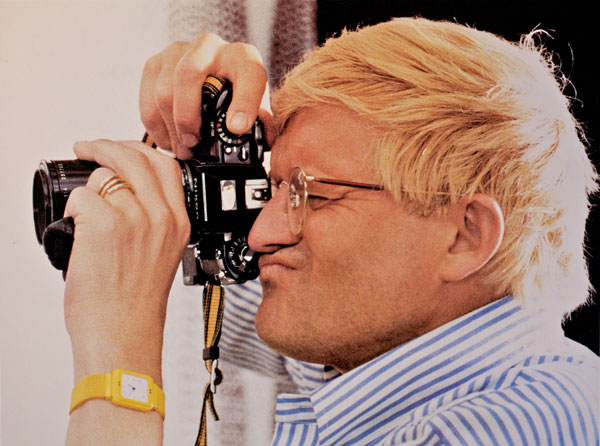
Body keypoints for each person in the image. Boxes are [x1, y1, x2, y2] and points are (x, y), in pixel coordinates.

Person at [62, 17, 598, 445]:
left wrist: (118, 374)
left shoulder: (498, 430)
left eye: (310, 196)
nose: (260, 234)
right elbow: (178, 262)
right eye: (272, 191)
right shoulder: (381, 347)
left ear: (465, 235)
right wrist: (200, 137)